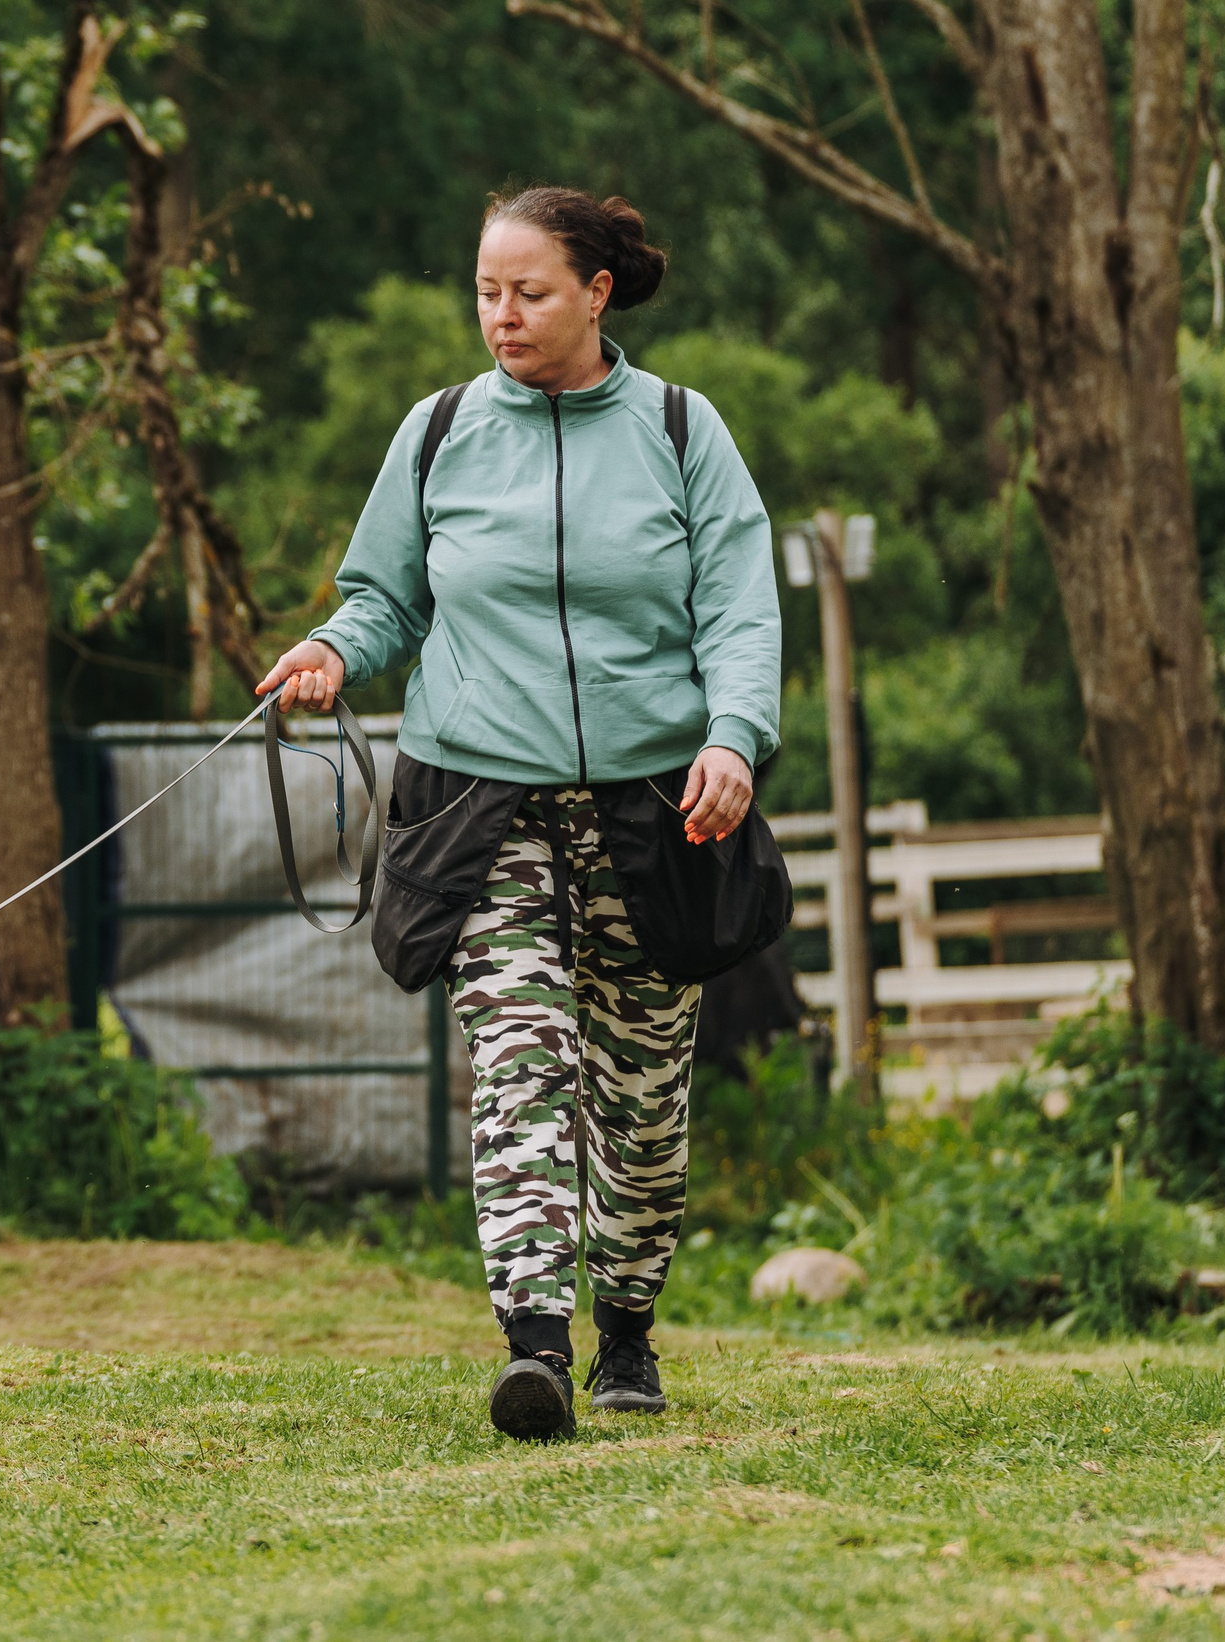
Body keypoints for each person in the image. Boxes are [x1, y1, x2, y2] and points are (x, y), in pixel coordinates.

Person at [257, 186, 781, 1441]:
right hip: (477, 806)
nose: (500, 315)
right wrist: (334, 647)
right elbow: (383, 595)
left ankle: (627, 1330)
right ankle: (533, 1341)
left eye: (528, 292)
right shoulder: (438, 432)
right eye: (485, 290)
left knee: (641, 1099)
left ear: (596, 292)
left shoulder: (677, 427)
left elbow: (742, 611)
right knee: (519, 1059)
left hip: (658, 813)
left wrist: (731, 738)